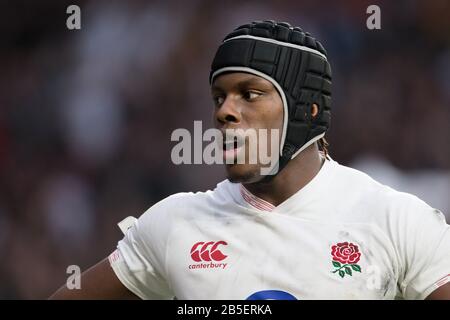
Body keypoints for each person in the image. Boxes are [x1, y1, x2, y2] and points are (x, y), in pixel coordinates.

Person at [50, 20, 450, 300]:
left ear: (307, 110)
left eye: (249, 93)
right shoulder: (175, 225)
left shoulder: (396, 220)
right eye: (219, 96)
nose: (224, 111)